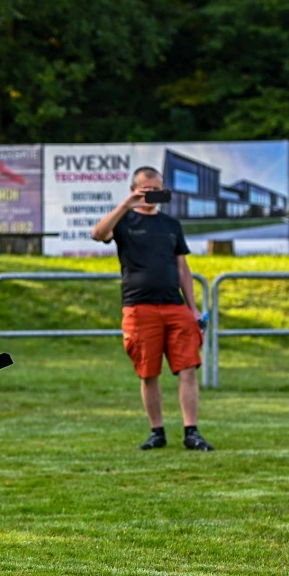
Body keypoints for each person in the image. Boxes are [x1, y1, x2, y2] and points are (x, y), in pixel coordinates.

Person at [90, 167, 214, 452]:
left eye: (156, 188)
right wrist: (126, 205)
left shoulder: (171, 224)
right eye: (145, 189)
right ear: (134, 189)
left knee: (188, 368)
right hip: (138, 306)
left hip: (175, 305)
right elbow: (98, 234)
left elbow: (183, 268)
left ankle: (191, 431)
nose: (150, 194)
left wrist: (193, 309)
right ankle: (157, 431)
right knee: (148, 373)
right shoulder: (124, 219)